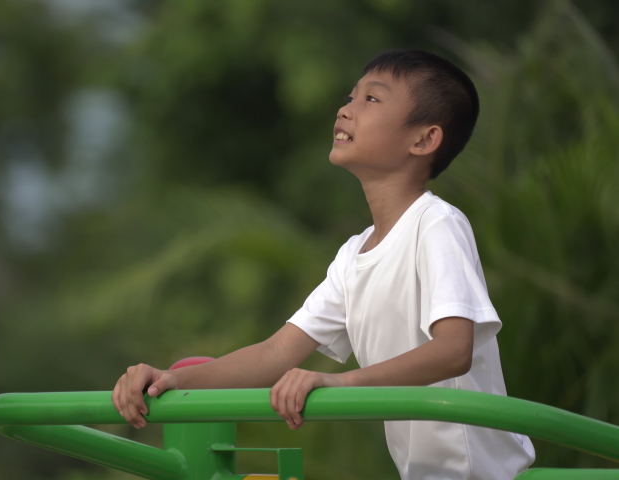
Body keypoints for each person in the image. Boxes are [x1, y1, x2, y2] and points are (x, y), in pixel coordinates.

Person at [111, 49, 536, 479]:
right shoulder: (354, 256)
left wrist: (339, 381)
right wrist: (169, 380)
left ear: (424, 140)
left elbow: (453, 350)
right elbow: (276, 352)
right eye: (350, 96)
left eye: (371, 100)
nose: (345, 109)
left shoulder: (436, 224)